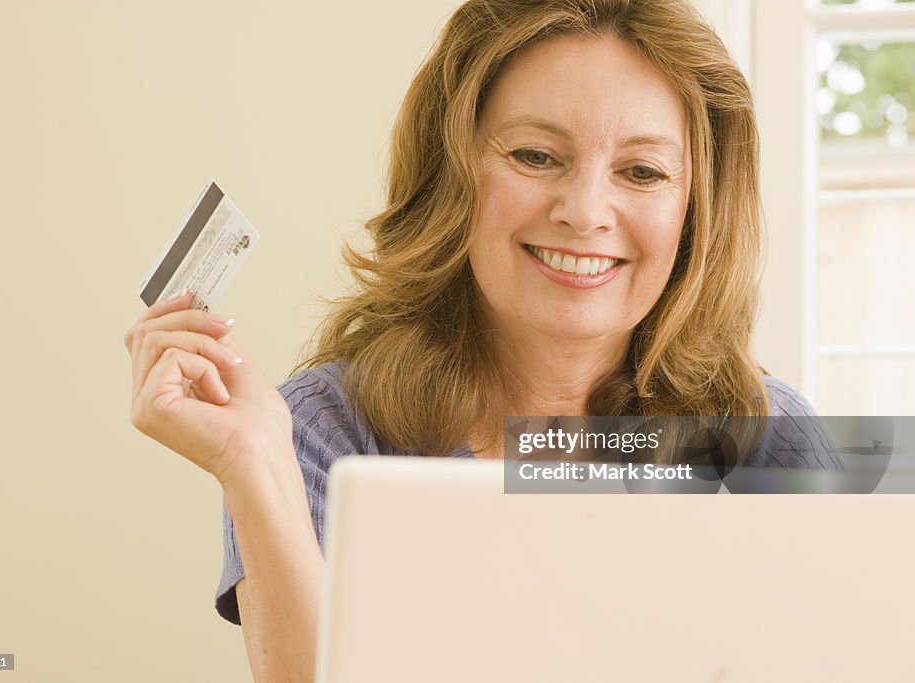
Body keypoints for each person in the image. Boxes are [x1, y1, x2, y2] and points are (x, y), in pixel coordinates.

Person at [124, 0, 841, 679]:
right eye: (535, 156)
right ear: (453, 176)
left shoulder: (772, 438)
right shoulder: (318, 433)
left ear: (697, 212)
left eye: (642, 171)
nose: (586, 211)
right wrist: (255, 467)